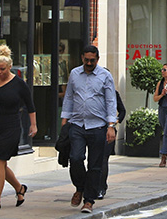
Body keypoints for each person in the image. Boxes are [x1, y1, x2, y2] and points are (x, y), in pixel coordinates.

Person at [60, 45, 117, 214]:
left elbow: (111, 101)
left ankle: (89, 201)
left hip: (98, 126)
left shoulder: (105, 76)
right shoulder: (74, 74)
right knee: (75, 158)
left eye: (92, 60)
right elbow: (69, 97)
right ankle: (80, 187)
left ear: (97, 60)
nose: (89, 63)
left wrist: (111, 126)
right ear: (82, 58)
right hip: (77, 124)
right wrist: (64, 121)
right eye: (86, 60)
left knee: (95, 165)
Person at [0, 46, 36, 211]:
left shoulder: (19, 84)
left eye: (2, 69)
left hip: (11, 126)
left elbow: (30, 105)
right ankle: (19, 188)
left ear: (10, 67)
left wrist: (33, 125)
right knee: (1, 164)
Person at [98, 85, 125, 200]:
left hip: (109, 130)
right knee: (94, 160)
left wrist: (114, 122)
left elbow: (122, 111)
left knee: (103, 159)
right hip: (93, 130)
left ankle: (101, 188)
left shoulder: (114, 93)